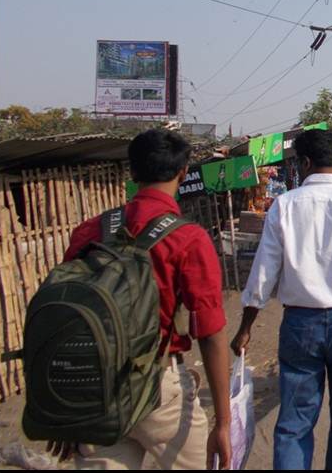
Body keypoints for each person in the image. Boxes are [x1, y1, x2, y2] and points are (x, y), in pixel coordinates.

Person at [52, 129, 231, 470]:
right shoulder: (188, 238)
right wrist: (223, 422)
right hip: (160, 390)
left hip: (95, 389)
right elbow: (210, 333)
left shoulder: (89, 231)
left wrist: (65, 406)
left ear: (132, 172)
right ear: (183, 172)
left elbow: (67, 318)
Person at [232, 130, 332, 470]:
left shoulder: (284, 207)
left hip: (300, 325)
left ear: (305, 163)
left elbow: (263, 273)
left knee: (294, 421)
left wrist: (246, 327)